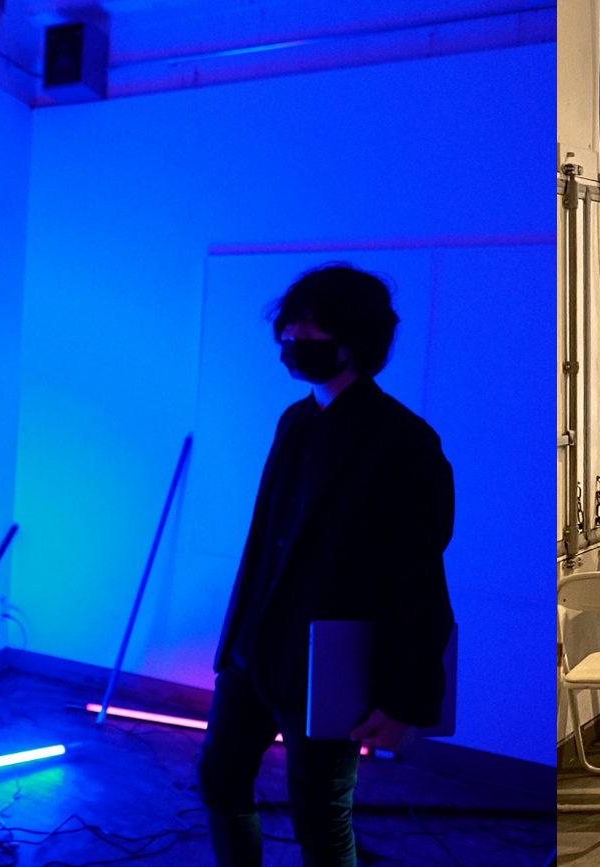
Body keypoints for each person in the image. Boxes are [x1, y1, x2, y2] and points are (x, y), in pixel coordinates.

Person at [201, 264, 459, 867]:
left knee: (320, 815)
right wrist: (234, 644)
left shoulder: (405, 442)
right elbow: (267, 544)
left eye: (310, 334)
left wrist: (405, 701)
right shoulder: (294, 421)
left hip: (326, 665)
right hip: (251, 652)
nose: (294, 343)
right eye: (289, 332)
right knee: (218, 777)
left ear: (357, 340)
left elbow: (419, 580)